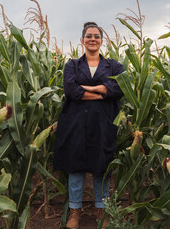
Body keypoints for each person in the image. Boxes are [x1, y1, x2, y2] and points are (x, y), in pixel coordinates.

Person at [53, 22, 124, 228]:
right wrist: (103, 93)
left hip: (104, 123)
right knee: (76, 167)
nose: (93, 39)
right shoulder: (72, 65)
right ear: (82, 40)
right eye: (89, 36)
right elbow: (71, 91)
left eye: (96, 36)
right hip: (76, 123)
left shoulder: (114, 66)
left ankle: (102, 210)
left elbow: (119, 88)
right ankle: (75, 211)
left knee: (102, 166)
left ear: (102, 41)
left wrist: (88, 89)